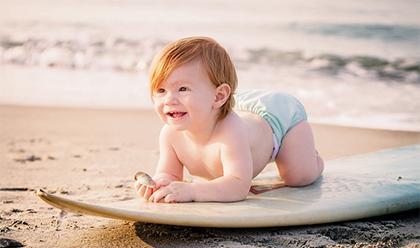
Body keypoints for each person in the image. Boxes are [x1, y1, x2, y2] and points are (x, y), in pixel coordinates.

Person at [135, 36, 324, 203]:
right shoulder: (170, 134)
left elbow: (238, 186)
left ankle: (313, 159)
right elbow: (170, 174)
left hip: (279, 120)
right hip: (244, 109)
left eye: (183, 89)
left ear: (218, 97)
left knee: (298, 177)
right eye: (161, 90)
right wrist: (159, 182)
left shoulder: (231, 130)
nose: (169, 99)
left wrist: (193, 190)